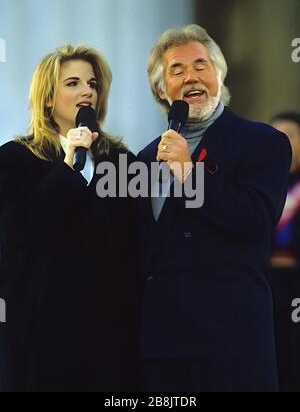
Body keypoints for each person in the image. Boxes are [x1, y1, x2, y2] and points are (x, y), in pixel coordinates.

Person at [137, 24, 292, 391]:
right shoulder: (144, 159)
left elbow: (256, 219)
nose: (191, 76)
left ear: (219, 77)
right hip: (164, 352)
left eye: (201, 65)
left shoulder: (263, 142)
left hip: (232, 348)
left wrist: (189, 174)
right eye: (177, 70)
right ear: (161, 89)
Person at [0, 45, 142, 391]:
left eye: (92, 84)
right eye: (73, 83)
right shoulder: (15, 159)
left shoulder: (121, 161)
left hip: (109, 336)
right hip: (42, 334)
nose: (86, 92)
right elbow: (25, 231)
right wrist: (67, 167)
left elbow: (135, 244)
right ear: (48, 98)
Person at [270, 111, 300, 392]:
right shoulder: (263, 184)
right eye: (276, 137)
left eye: (290, 136)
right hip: (266, 284)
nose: (283, 144)